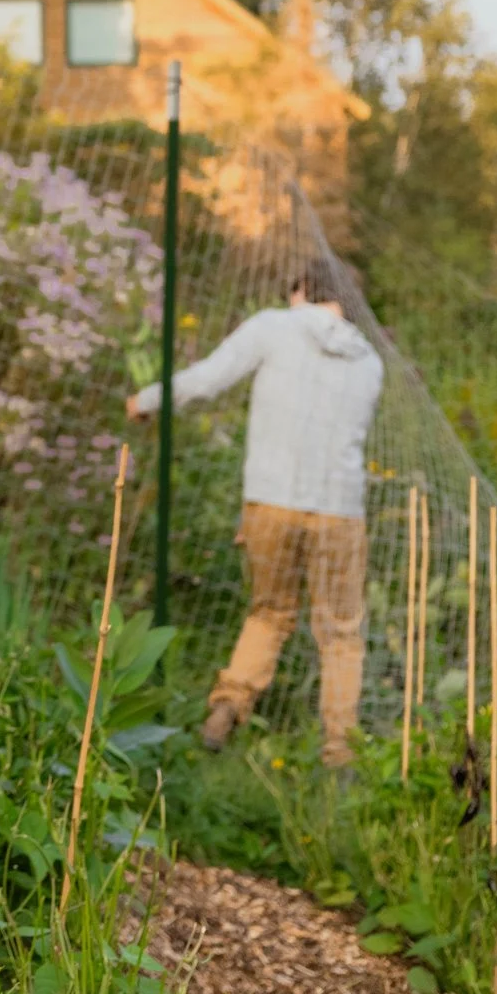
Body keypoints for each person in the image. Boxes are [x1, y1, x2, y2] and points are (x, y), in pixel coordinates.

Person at [124, 258, 384, 767]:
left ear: (303, 290)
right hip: (339, 510)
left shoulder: (274, 327)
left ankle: (227, 705)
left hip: (270, 501)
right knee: (341, 633)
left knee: (270, 612)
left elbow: (205, 380)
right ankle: (340, 753)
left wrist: (146, 400)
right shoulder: (369, 360)